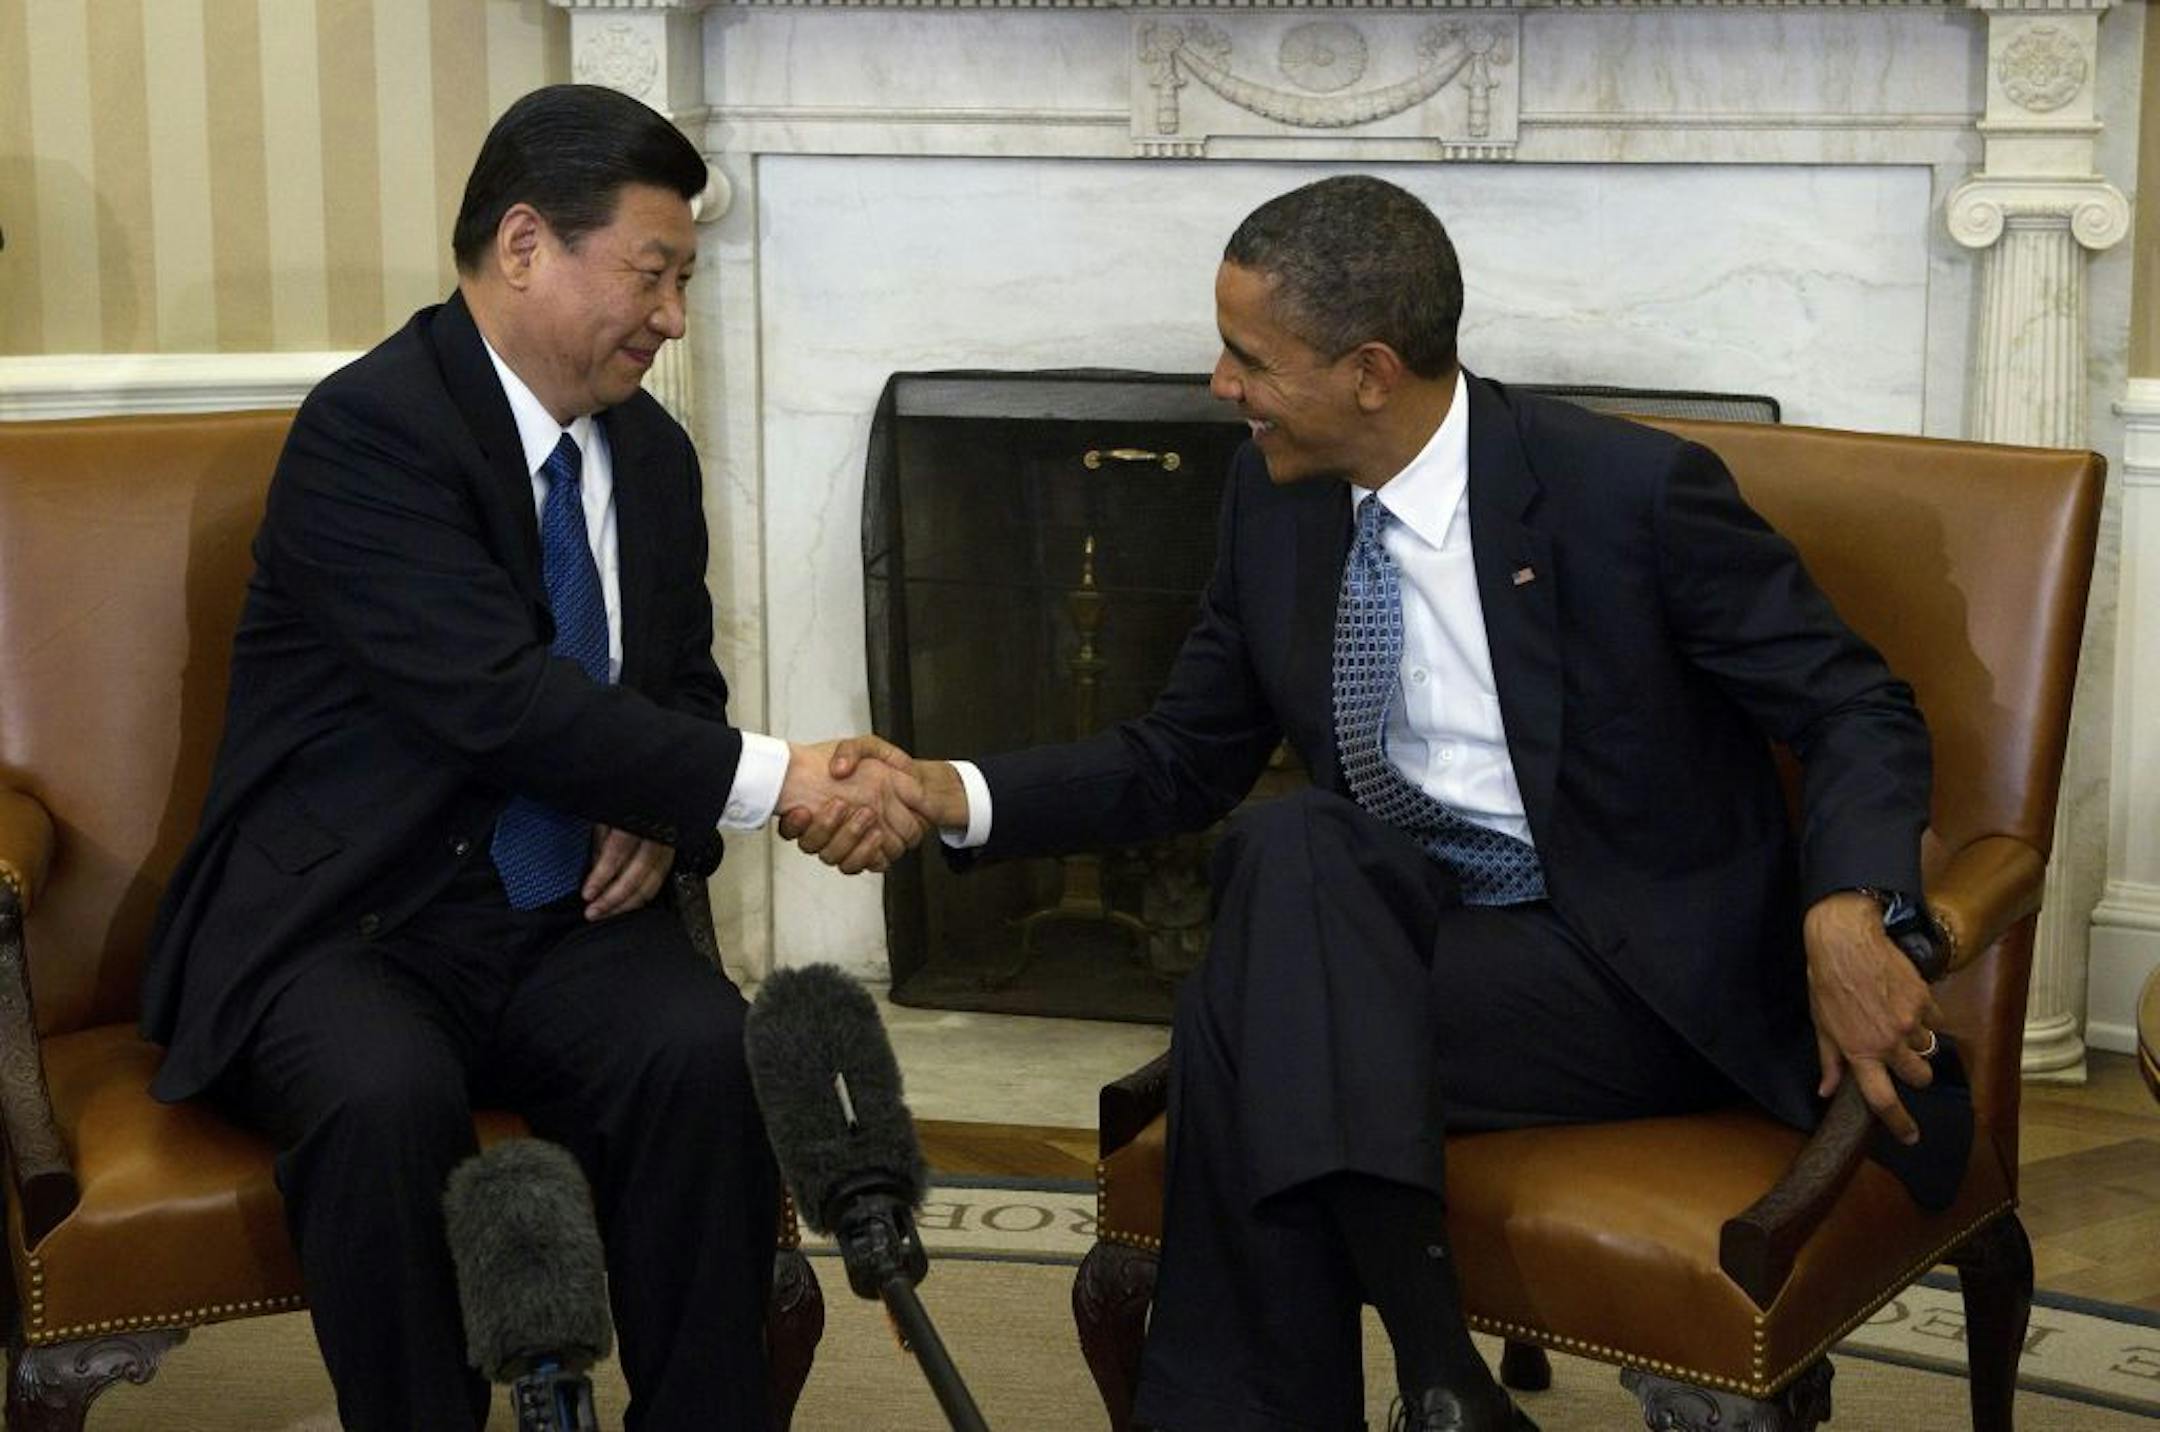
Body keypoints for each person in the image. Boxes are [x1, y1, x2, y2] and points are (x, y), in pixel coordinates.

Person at [803, 175, 1962, 1432]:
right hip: (1404, 944)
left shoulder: (1628, 494)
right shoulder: (1271, 498)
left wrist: (1851, 904)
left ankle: (1396, 1378)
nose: (1218, 385)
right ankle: (1440, 1377)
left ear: (1368, 371)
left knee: (1246, 1029)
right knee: (1288, 844)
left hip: (1628, 968)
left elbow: (1856, 704)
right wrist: (943, 788)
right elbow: (1184, 754)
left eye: (1249, 356)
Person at [139, 84, 917, 1431]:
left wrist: (663, 815)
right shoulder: (370, 432)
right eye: (652, 273)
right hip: (349, 921)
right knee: (387, 1105)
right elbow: (493, 700)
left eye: (684, 279)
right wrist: (770, 778)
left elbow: (677, 687)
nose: (674, 317)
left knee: (705, 1058)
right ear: (523, 246)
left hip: (561, 921)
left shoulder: (655, 458)